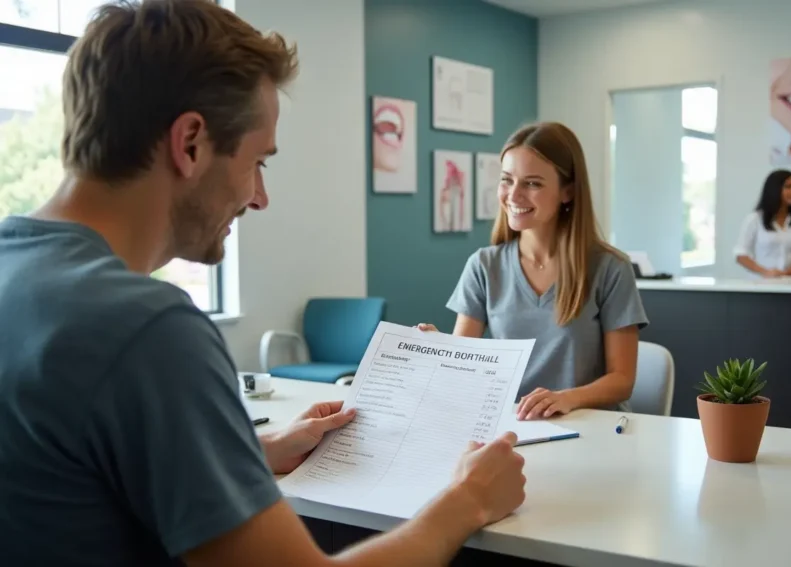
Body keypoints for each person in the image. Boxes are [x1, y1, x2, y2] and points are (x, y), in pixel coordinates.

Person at [0, 1, 526, 566]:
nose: (259, 197)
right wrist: (466, 500)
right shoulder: (145, 326)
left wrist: (248, 451)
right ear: (191, 143)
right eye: (258, 162)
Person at [417, 122, 648, 421]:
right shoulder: (484, 266)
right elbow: (464, 363)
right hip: (512, 426)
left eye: (533, 183)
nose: (513, 196)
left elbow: (622, 380)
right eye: (506, 180)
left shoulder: (610, 269)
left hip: (590, 427)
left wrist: (566, 399)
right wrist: (439, 349)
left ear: (568, 192)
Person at [734, 169, 791, 279]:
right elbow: (741, 255)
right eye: (788, 187)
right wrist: (766, 272)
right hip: (761, 283)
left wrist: (787, 273)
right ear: (774, 190)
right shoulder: (754, 219)